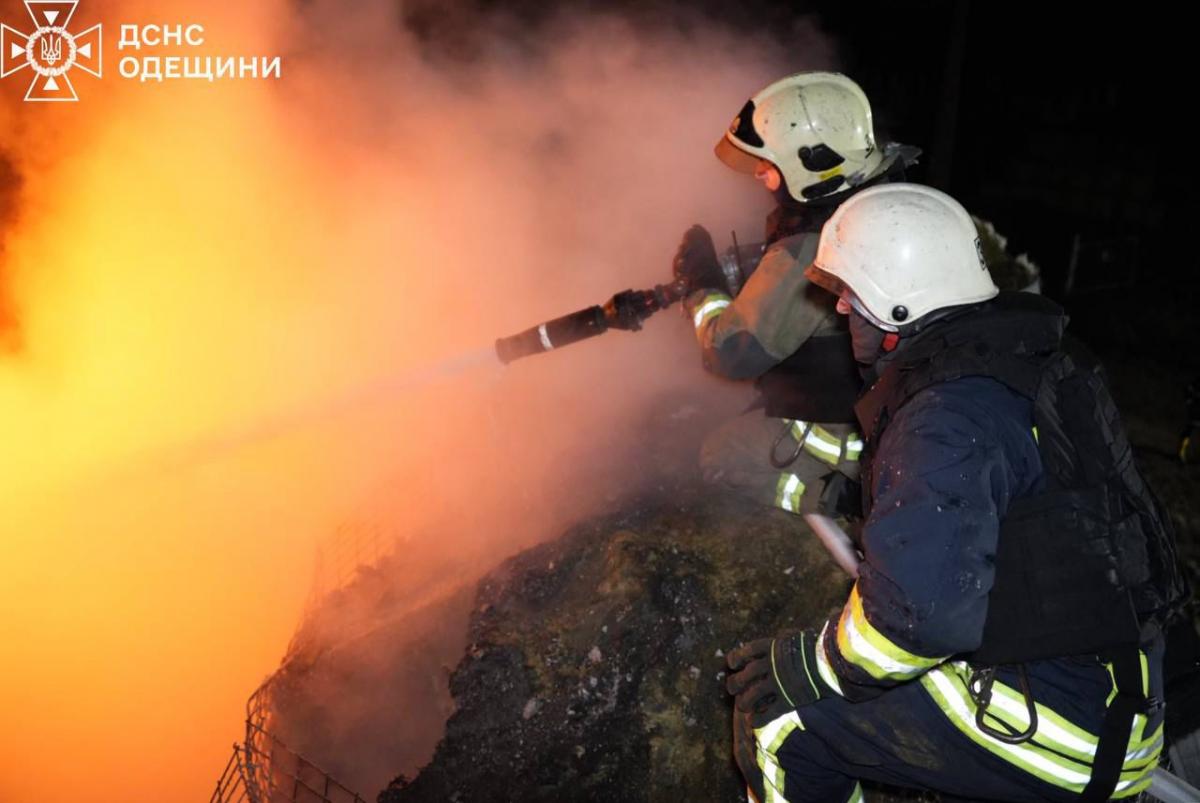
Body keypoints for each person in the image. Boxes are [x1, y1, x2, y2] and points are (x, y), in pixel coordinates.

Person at [724, 183, 1187, 803]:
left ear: (898, 306)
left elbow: (915, 623)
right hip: (1115, 695)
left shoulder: (945, 415)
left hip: (1064, 728)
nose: (839, 307)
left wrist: (815, 663)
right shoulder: (1022, 360)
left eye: (853, 293)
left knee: (781, 720)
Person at [671, 71, 918, 522]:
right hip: (908, 416)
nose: (760, 175)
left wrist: (700, 285)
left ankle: (838, 497)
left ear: (810, 163)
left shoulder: (809, 250)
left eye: (769, 165)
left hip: (855, 435)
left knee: (721, 454)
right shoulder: (891, 202)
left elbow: (730, 353)